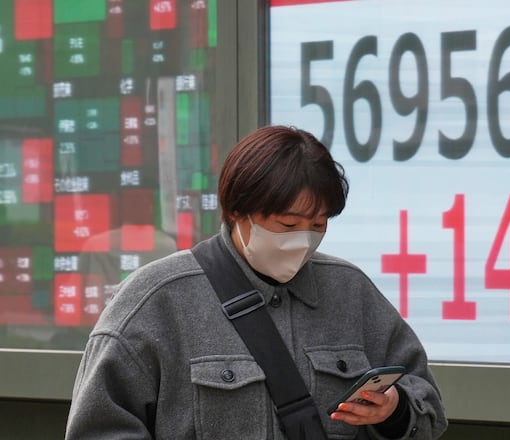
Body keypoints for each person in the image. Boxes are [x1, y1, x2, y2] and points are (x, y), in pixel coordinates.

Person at [65, 125, 448, 439]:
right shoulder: (157, 299)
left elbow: (427, 407)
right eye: (287, 224)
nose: (303, 239)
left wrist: (395, 409)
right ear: (237, 210)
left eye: (318, 226)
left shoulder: (351, 291)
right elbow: (98, 429)